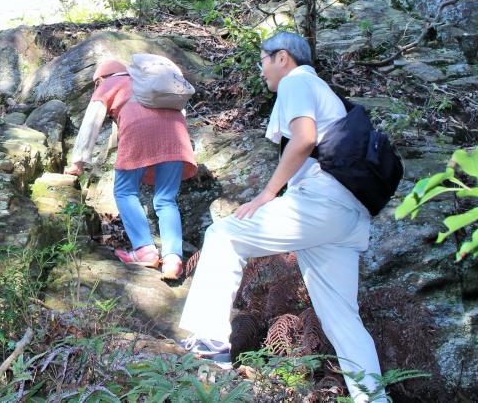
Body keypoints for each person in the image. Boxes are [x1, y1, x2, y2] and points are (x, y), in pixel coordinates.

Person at [178, 32, 386, 402]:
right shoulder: (322, 91)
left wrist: (266, 194)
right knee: (341, 317)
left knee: (225, 235)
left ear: (283, 58)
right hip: (347, 215)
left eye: (263, 60)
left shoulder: (297, 82)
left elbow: (304, 139)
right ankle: (373, 398)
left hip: (322, 203)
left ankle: (208, 347)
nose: (261, 70)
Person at [64, 58, 197, 280]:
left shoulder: (109, 84)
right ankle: (173, 259)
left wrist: (78, 162)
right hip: (176, 136)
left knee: (125, 191)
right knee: (166, 200)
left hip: (139, 134)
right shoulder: (150, 82)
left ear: (100, 79)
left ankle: (145, 250)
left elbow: (91, 123)